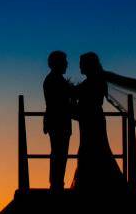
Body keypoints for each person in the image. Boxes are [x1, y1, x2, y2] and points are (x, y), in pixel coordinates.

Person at [71, 52, 127, 194]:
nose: (79, 67)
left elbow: (83, 98)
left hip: (91, 119)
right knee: (96, 148)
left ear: (88, 65)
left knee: (93, 148)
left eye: (81, 64)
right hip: (92, 118)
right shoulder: (96, 80)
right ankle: (99, 183)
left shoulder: (93, 81)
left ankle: (91, 185)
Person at [42, 50, 74, 191]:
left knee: (59, 153)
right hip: (59, 122)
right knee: (59, 153)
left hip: (56, 121)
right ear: (58, 63)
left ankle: (56, 183)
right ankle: (56, 183)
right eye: (64, 62)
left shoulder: (53, 79)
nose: (67, 64)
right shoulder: (55, 80)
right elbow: (62, 103)